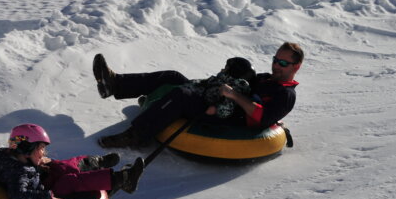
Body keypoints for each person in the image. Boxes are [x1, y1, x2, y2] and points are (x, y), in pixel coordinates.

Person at [94, 43, 304, 148]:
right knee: (173, 76)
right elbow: (245, 82)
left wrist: (234, 96)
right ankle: (114, 84)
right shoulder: (268, 78)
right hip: (219, 99)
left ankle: (136, 135)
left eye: (283, 63)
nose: (277, 65)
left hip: (229, 117)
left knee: (182, 94)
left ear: (296, 66)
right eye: (276, 60)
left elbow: (263, 117)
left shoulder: (285, 94)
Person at [0, 123, 145, 199]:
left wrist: (40, 164)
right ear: (26, 149)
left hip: (40, 177)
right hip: (45, 190)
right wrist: (47, 197)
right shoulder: (19, 172)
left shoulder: (15, 157)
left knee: (63, 165)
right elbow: (18, 196)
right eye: (40, 148)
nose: (43, 152)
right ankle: (121, 179)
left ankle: (96, 162)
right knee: (70, 181)